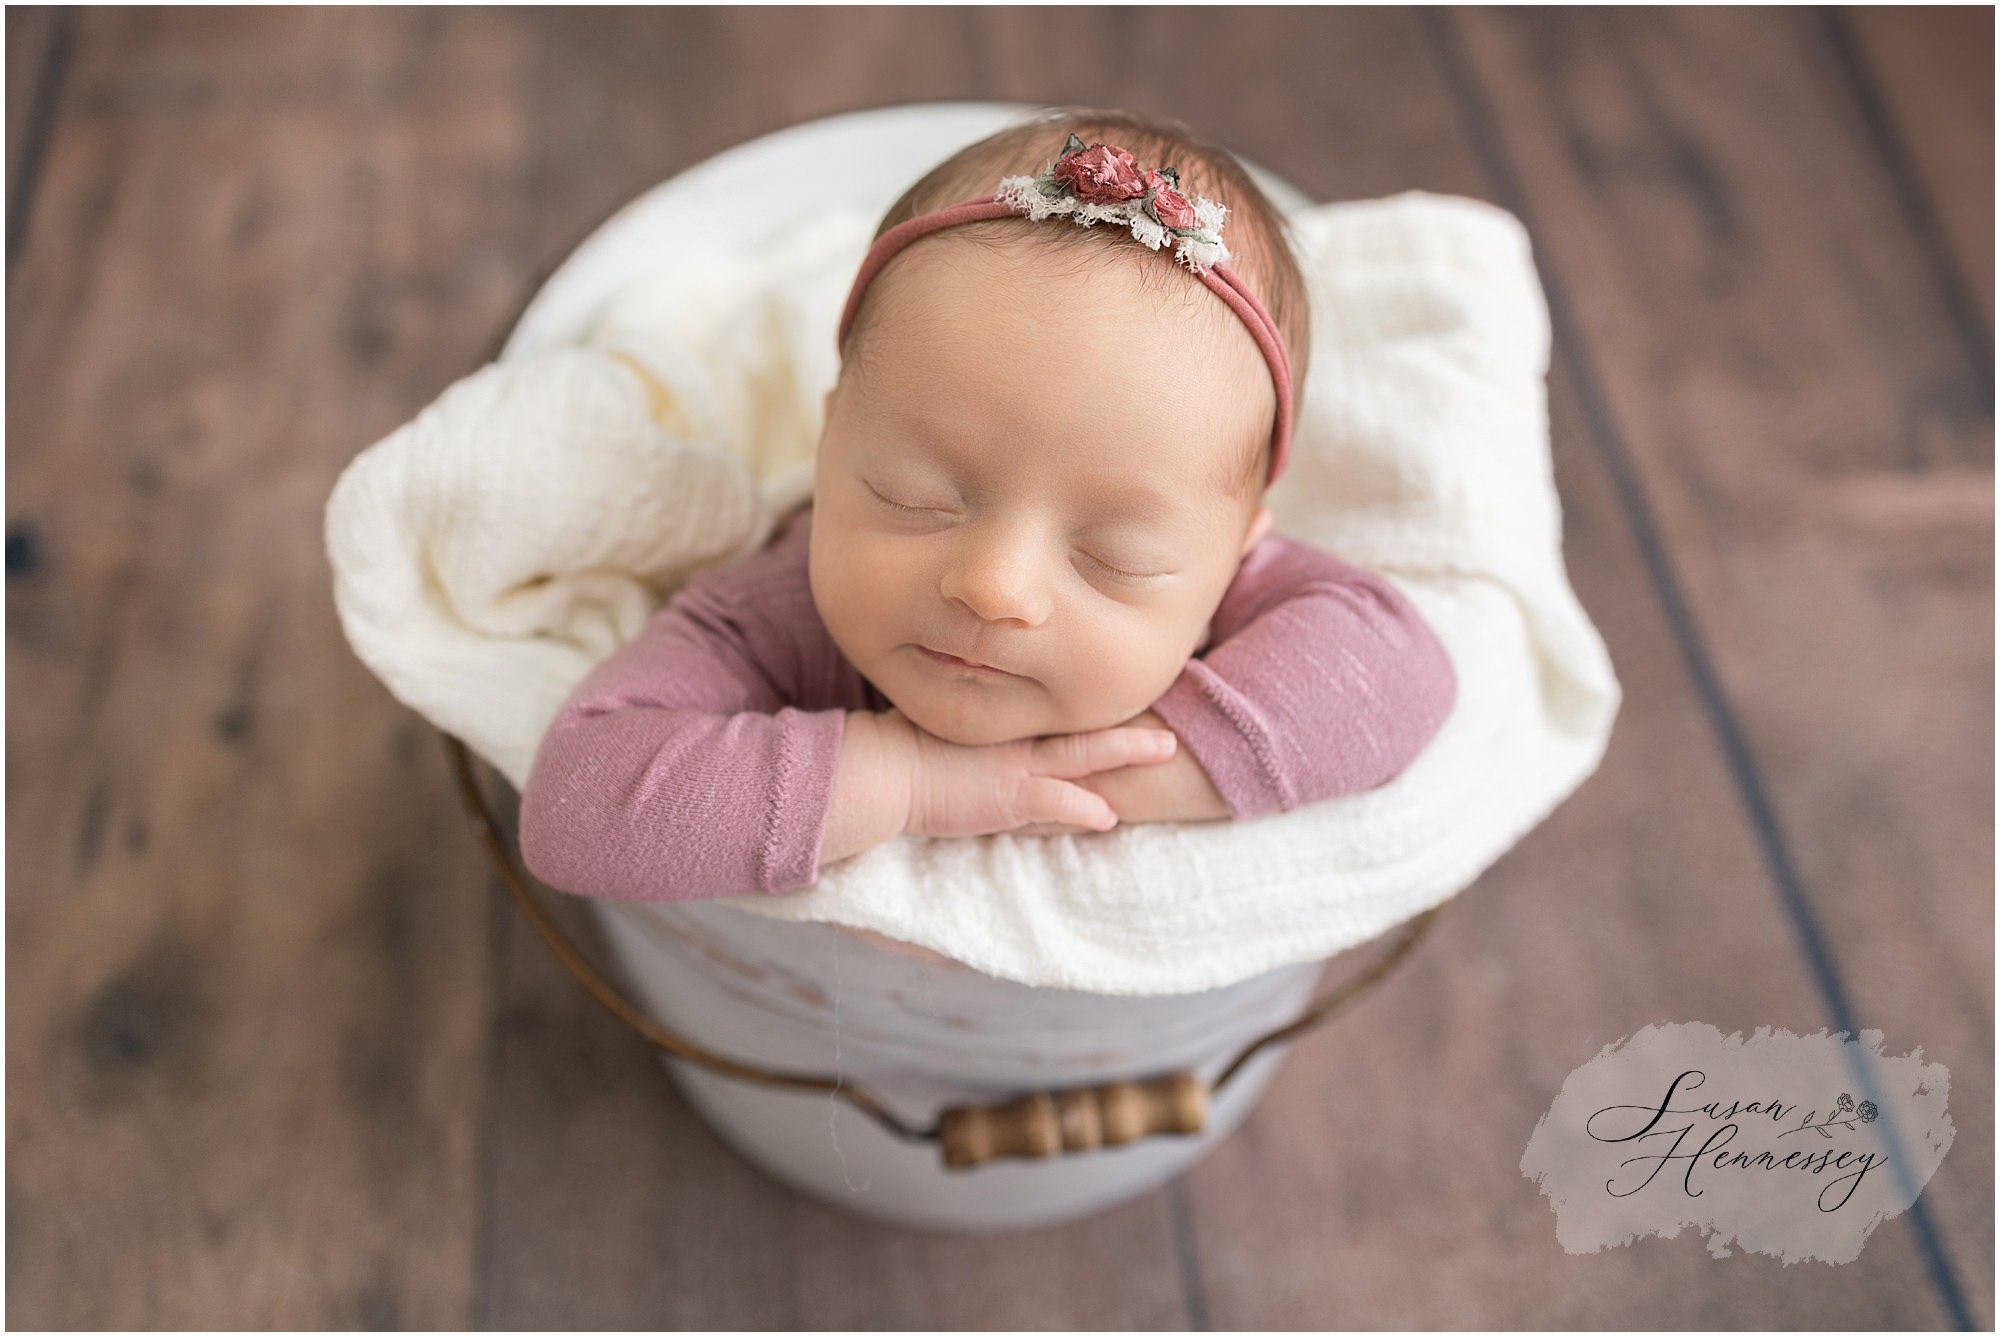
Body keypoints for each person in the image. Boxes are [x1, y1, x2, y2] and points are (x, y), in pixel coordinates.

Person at [518, 107, 1458, 903]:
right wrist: (911, 779)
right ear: (830, 437)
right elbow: (578, 806)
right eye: (913, 496)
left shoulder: (1240, 588)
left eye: (1117, 556)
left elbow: (1401, 670)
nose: (993, 586)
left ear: (1238, 551)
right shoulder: (773, 617)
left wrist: (1116, 777)